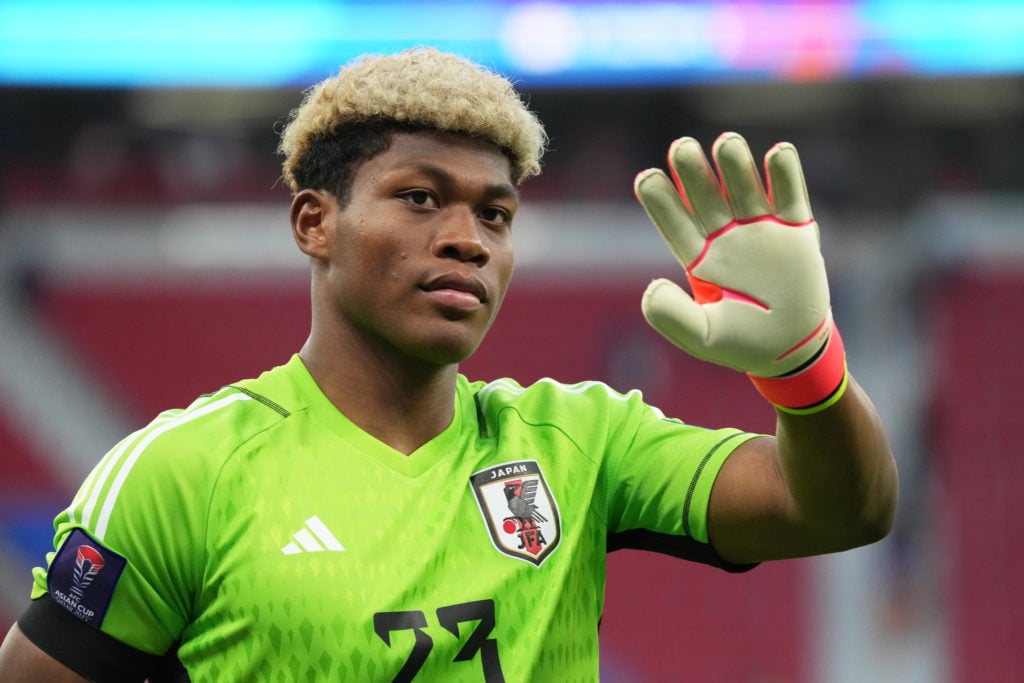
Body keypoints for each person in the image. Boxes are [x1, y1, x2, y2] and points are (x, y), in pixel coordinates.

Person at [0, 47, 898, 682]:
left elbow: (841, 507)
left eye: (497, 215)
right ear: (316, 222)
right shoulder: (181, 472)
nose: (467, 240)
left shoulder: (580, 440)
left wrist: (805, 366)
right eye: (421, 198)